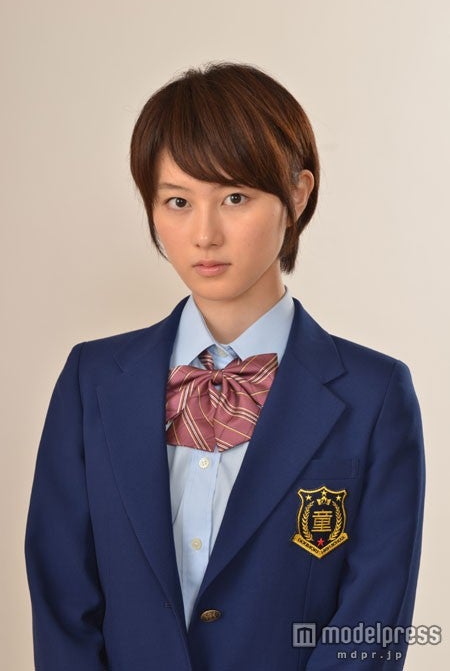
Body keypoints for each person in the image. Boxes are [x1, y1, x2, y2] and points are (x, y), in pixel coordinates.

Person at [24, 62, 425, 671]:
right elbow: (62, 599)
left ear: (298, 194)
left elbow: (370, 629)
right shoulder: (93, 380)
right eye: (177, 201)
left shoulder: (376, 394)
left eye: (235, 197)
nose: (204, 234)